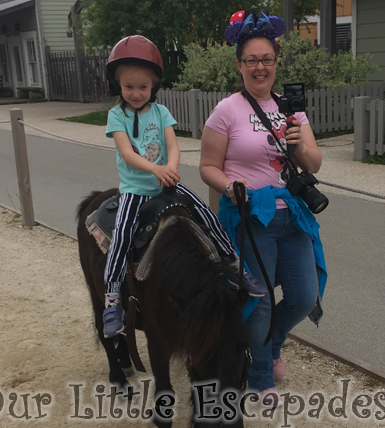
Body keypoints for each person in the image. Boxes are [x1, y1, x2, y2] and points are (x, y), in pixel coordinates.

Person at [199, 10, 327, 407]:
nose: (260, 67)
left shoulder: (292, 110)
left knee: (304, 297)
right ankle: (258, 374)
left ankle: (271, 346)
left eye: (267, 59)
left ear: (276, 63)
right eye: (251, 60)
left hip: (293, 217)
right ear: (239, 65)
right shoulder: (227, 111)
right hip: (251, 217)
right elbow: (207, 167)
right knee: (258, 302)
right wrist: (229, 188)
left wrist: (298, 140)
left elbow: (314, 164)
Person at [102, 35, 266, 338]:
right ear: (117, 86)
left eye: (143, 87)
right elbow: (127, 153)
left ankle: (234, 265)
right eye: (128, 87)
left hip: (166, 180)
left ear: (153, 86)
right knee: (122, 233)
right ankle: (112, 296)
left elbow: (173, 146)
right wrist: (156, 169)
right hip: (135, 189)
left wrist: (171, 168)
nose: (136, 93)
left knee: (204, 213)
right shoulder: (116, 115)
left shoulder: (161, 112)